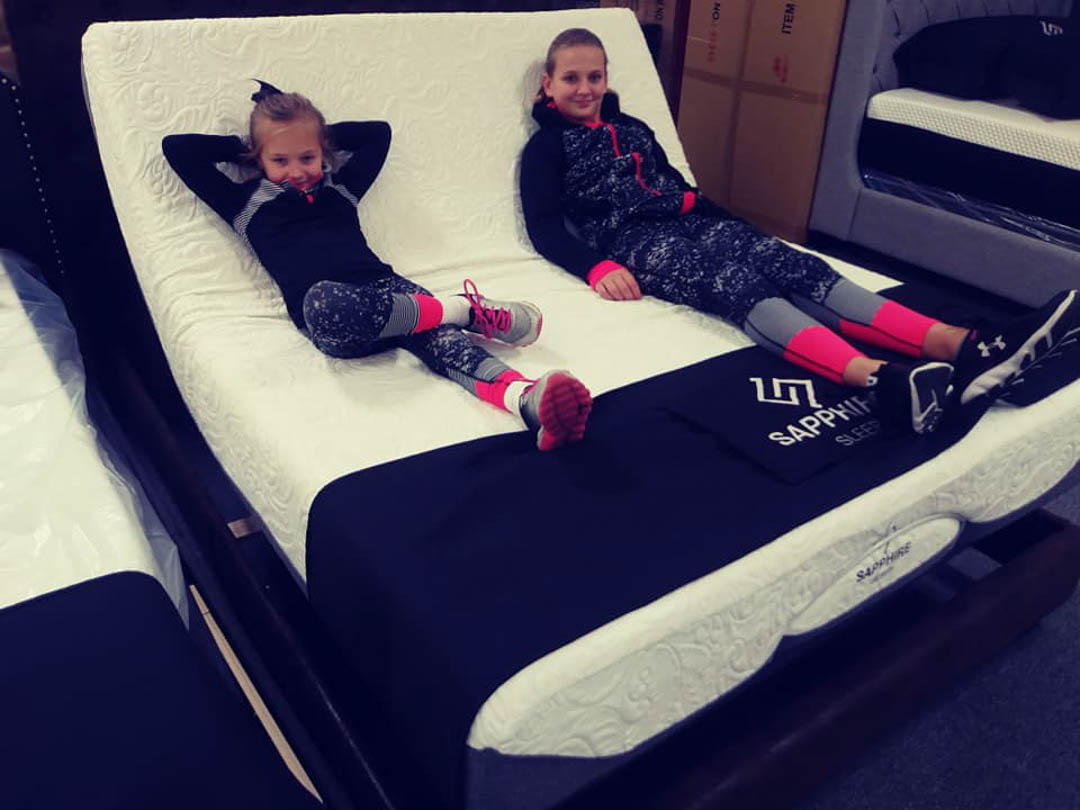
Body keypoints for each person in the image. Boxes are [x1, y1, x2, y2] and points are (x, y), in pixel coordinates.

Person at [519, 28, 1080, 434]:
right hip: (635, 240)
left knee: (795, 265)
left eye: (594, 76)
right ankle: (879, 380)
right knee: (736, 284)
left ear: (607, 78)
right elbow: (544, 226)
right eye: (571, 78)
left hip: (691, 219)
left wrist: (736, 226)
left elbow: (678, 185)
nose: (585, 88)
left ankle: (965, 346)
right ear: (549, 85)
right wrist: (597, 266)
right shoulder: (547, 148)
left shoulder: (634, 127)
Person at [163, 81, 591, 451]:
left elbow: (377, 135)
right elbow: (178, 150)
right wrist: (253, 144)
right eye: (280, 160)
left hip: (392, 292)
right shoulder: (243, 205)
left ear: (323, 153)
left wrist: (312, 134)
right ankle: (464, 309)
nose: (297, 171)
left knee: (445, 345)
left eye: (307, 157)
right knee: (321, 302)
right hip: (336, 316)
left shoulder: (341, 190)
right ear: (259, 159)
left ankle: (526, 400)